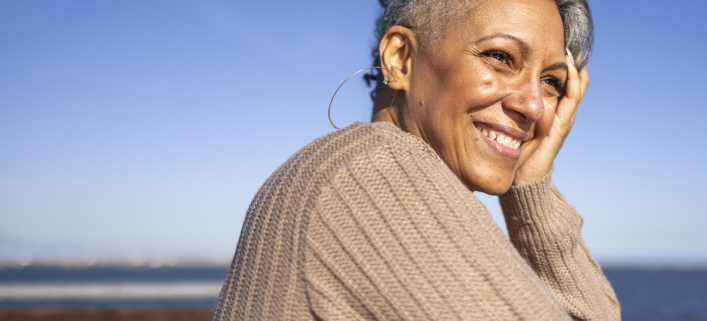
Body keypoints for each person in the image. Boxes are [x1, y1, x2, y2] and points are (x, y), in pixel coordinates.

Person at [213, 0, 619, 320]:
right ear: (400, 57)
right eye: (500, 57)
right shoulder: (373, 176)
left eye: (552, 82)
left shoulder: (346, 168)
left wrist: (533, 184)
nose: (533, 105)